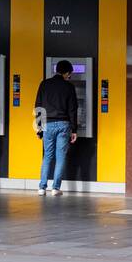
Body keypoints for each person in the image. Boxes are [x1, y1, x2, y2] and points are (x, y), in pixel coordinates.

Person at [35, 60, 80, 196]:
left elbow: (38, 106)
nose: (69, 76)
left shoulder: (44, 84)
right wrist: (74, 129)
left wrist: (39, 127)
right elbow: (73, 109)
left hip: (47, 124)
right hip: (63, 124)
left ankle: (42, 188)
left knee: (47, 156)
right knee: (60, 157)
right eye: (69, 74)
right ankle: (55, 188)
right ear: (66, 72)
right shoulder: (69, 87)